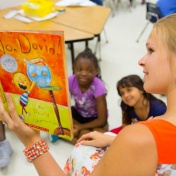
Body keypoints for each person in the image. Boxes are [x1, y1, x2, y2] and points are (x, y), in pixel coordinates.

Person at [1, 13, 176, 176]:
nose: (141, 60)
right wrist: (114, 141)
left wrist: (31, 141)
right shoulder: (143, 134)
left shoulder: (138, 137)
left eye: (151, 50)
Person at [50, 48, 108, 143]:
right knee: (56, 119)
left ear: (96, 71)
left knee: (96, 134)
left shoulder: (99, 86)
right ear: (74, 69)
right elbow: (59, 103)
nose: (84, 74)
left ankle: (74, 138)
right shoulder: (70, 80)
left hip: (94, 119)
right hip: (78, 114)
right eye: (79, 69)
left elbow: (102, 120)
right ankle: (80, 138)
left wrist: (81, 127)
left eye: (89, 70)